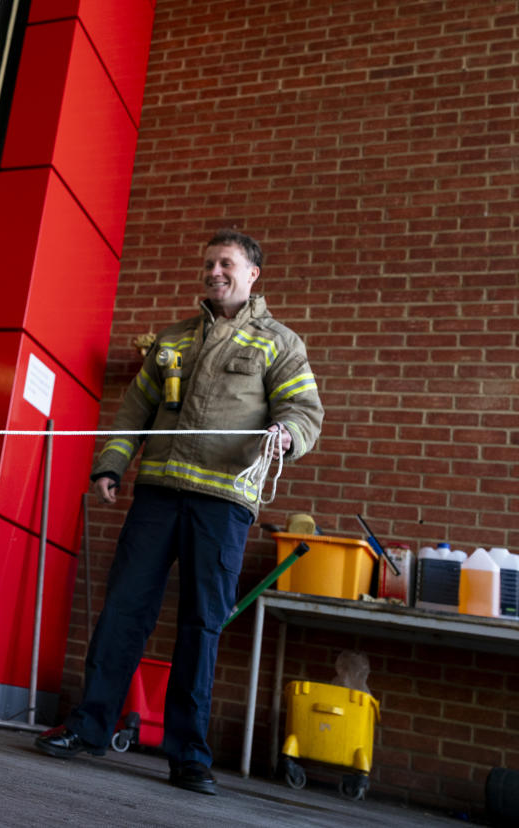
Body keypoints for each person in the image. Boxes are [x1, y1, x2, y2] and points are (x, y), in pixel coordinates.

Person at [33, 229, 324, 795]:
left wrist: (286, 435)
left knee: (202, 624)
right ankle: (90, 727)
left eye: (227, 264)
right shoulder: (172, 341)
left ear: (253, 274)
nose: (215, 272)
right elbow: (134, 411)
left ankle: (189, 755)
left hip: (224, 504)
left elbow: (304, 409)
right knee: (123, 611)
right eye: (210, 263)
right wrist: (110, 466)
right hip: (159, 495)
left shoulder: (280, 344)